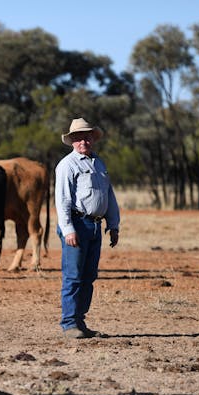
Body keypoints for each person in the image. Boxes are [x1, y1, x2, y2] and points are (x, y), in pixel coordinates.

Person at [54, 118, 120, 338]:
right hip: (77, 224)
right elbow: (62, 199)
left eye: (87, 136)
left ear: (93, 138)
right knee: (73, 276)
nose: (83, 140)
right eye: (79, 137)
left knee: (88, 276)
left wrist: (113, 224)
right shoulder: (67, 165)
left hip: (95, 225)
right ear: (72, 140)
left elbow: (108, 195)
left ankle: (80, 322)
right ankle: (69, 323)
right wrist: (68, 229)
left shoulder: (98, 163)